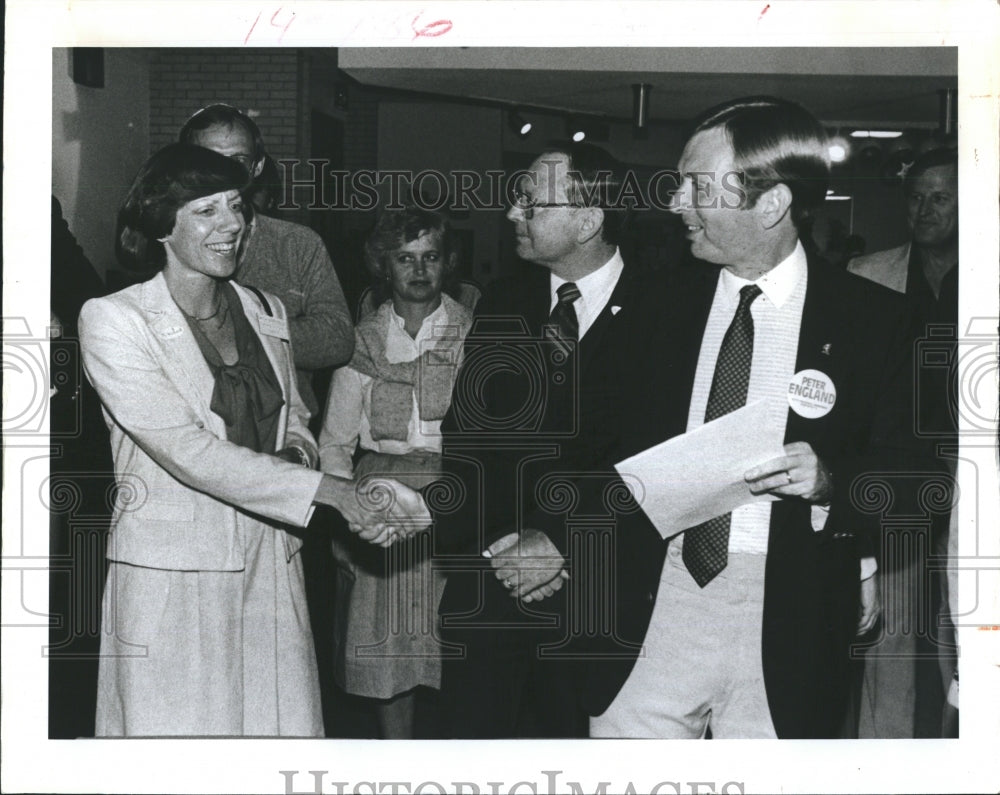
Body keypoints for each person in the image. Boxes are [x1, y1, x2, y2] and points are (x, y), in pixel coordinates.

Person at [589, 97, 928, 739]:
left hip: (789, 613)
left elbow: (920, 482)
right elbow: (593, 444)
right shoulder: (652, 308)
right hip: (653, 605)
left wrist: (834, 482)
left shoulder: (876, 323)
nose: (676, 203)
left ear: (769, 204)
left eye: (696, 186)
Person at [78, 144, 429, 737]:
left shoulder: (263, 309)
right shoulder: (115, 320)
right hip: (172, 573)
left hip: (270, 561)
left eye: (237, 206)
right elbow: (189, 452)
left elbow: (295, 419)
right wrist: (332, 493)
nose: (231, 224)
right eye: (206, 210)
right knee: (179, 754)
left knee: (272, 741)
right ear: (163, 224)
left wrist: (299, 455)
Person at [433, 142, 659, 738]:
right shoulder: (505, 302)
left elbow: (654, 459)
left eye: (530, 202)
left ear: (588, 221)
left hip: (598, 593)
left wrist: (558, 544)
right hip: (491, 579)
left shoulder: (665, 314)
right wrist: (507, 549)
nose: (513, 213)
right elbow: (469, 437)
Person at [318, 207, 473, 738]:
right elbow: (336, 444)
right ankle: (398, 759)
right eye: (405, 258)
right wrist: (343, 514)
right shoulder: (358, 341)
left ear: (447, 263)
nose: (419, 269)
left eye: (430, 256)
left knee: (448, 637)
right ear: (384, 266)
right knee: (387, 649)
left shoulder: (473, 333)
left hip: (451, 498)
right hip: (380, 502)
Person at [847, 148, 959, 737]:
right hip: (895, 467)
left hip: (976, 466)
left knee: (968, 612)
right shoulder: (869, 273)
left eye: (940, 196)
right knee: (891, 615)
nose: (924, 209)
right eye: (916, 196)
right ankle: (881, 749)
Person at [179, 104, 354, 418]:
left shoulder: (298, 244)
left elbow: (338, 339)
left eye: (238, 160)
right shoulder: (169, 241)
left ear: (257, 168)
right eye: (208, 159)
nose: (222, 172)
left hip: (288, 430)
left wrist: (248, 327)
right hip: (196, 424)